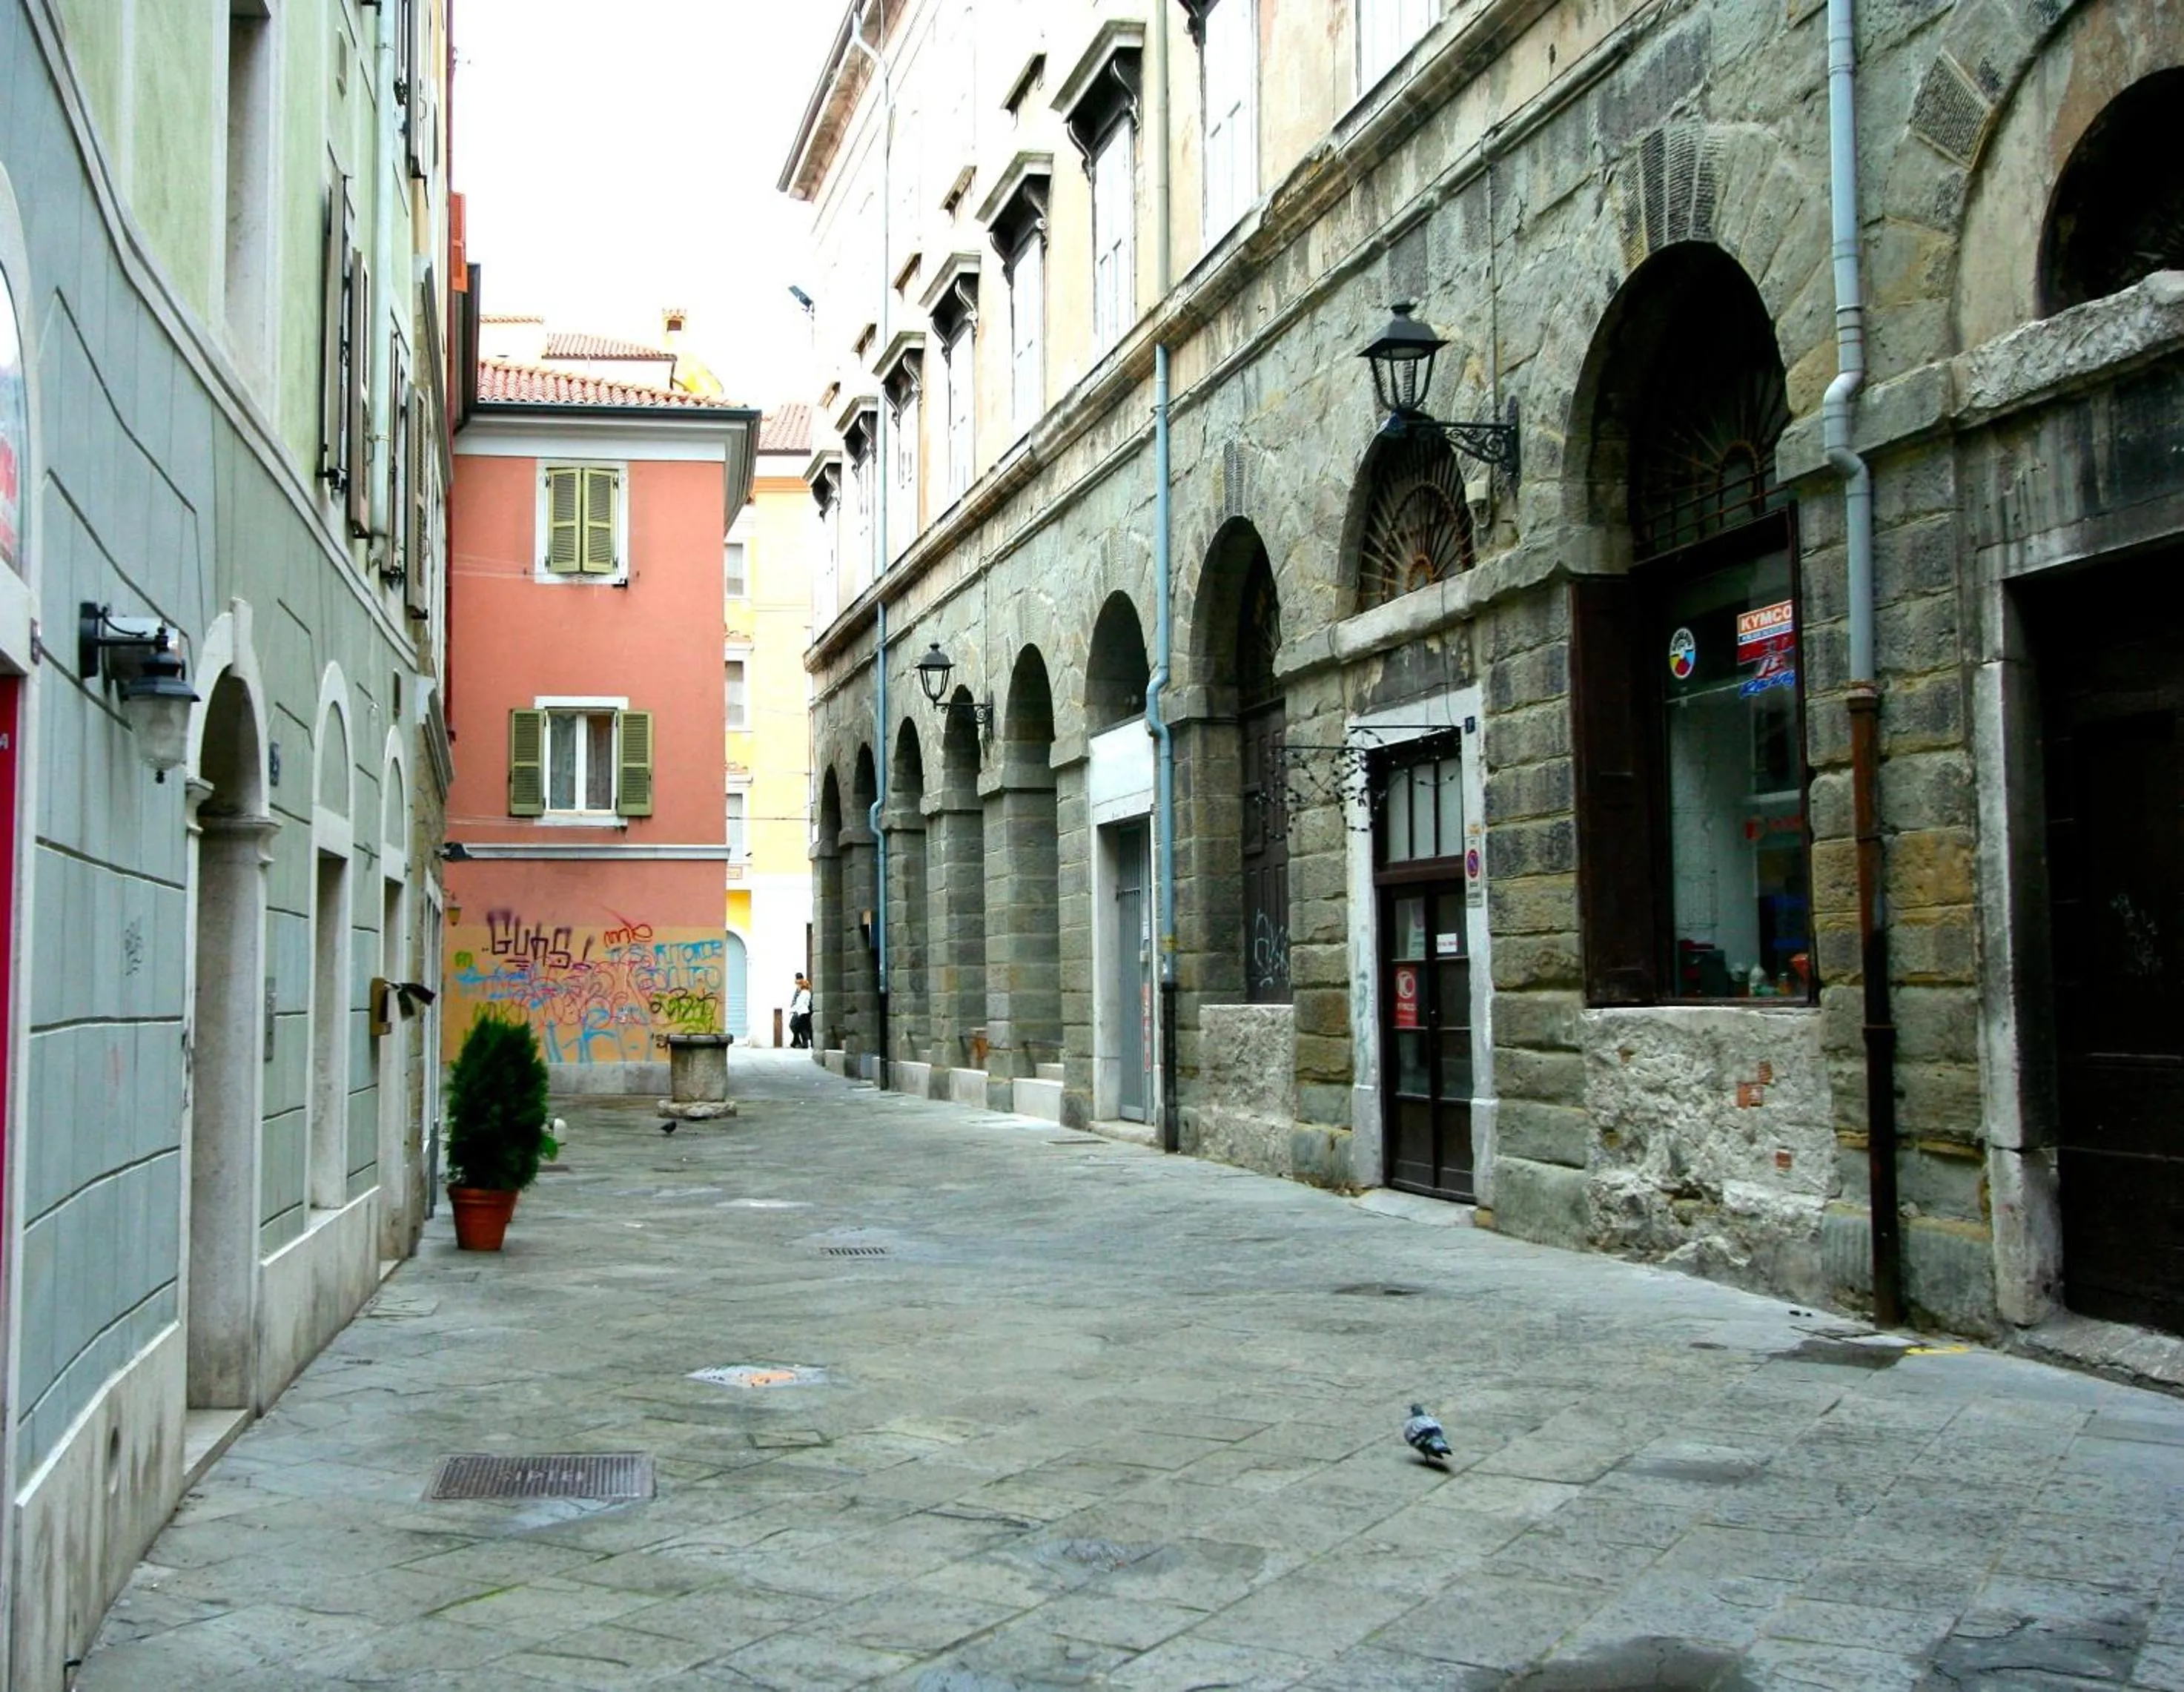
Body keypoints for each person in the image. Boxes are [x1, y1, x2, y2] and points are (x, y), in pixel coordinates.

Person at [789, 974, 813, 1048]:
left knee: (798, 1026)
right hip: (802, 1012)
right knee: (803, 1027)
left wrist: (793, 1009)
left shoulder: (804, 992)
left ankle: (799, 1042)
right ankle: (799, 1042)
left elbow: (800, 1003)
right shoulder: (802, 991)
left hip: (802, 1012)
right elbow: (796, 1000)